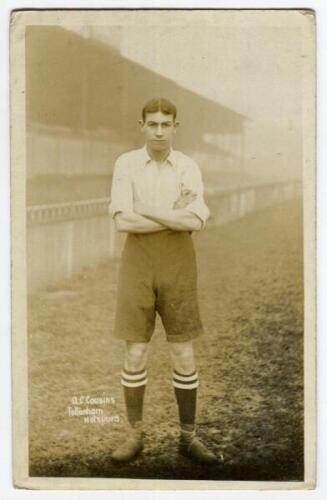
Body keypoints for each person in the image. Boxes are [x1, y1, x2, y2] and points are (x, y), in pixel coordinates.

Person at [109, 97, 216, 464]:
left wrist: (150, 211)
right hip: (137, 262)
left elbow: (196, 221)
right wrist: (174, 213)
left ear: (175, 127)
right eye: (151, 124)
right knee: (135, 350)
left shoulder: (188, 167)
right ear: (142, 126)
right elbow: (123, 221)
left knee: (183, 352)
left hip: (178, 262)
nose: (158, 131)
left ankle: (188, 437)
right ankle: (134, 434)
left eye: (164, 124)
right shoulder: (126, 164)